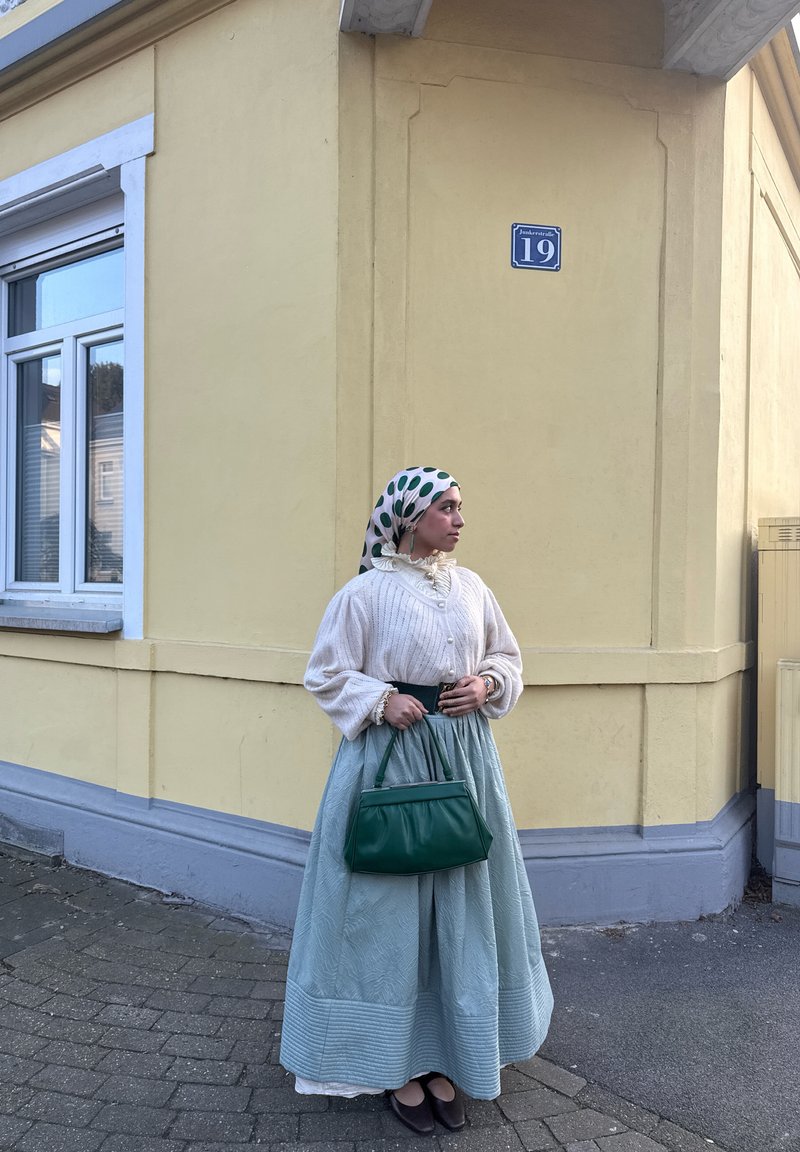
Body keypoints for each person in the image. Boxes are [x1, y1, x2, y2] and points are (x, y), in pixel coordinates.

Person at [279, 466, 553, 1135]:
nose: (460, 520)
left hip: (463, 761)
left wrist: (486, 685)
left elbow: (508, 658)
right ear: (409, 515)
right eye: (448, 507)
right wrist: (381, 698)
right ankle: (393, 1062)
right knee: (388, 911)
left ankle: (447, 1054)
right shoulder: (364, 594)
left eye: (461, 508)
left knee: (460, 902)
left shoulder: (472, 587)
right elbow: (324, 672)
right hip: (387, 761)